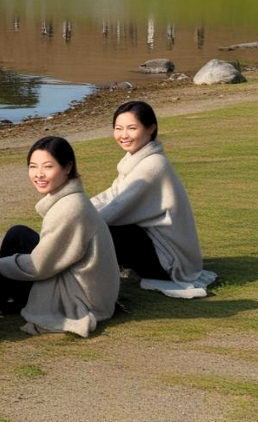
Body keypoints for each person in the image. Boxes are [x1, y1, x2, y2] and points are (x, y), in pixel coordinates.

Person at [0, 137, 119, 337]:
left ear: (67, 167)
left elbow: (40, 266)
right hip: (84, 283)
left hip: (80, 296)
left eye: (48, 167)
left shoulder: (71, 207)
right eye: (33, 167)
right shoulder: (70, 199)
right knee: (18, 234)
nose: (38, 174)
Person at [91, 101, 217, 298]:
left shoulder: (153, 165)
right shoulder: (133, 159)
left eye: (132, 128)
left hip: (169, 262)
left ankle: (81, 280)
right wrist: (78, 207)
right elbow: (111, 193)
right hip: (157, 249)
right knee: (102, 225)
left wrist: (76, 221)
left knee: (112, 230)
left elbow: (117, 207)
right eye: (118, 128)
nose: (123, 135)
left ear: (151, 129)